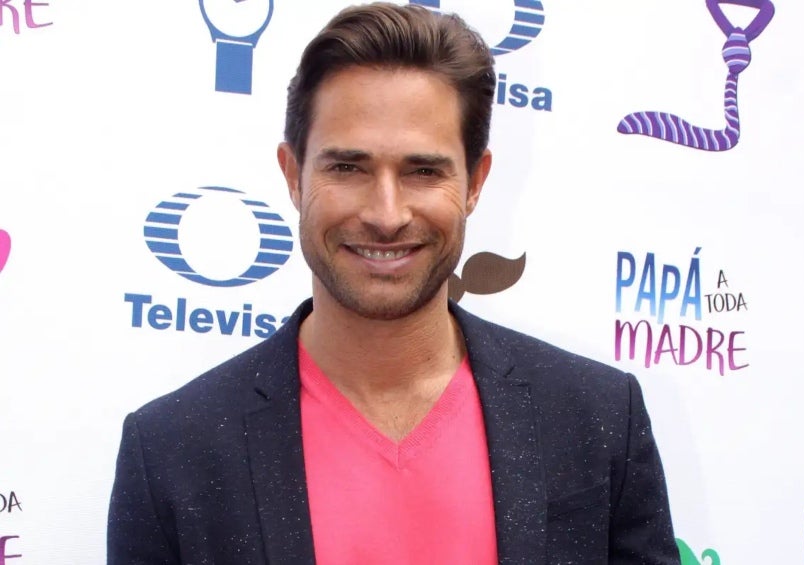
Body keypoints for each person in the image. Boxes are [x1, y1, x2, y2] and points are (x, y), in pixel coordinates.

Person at [107, 3, 680, 564]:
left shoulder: (597, 418)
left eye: (423, 171)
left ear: (475, 183)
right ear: (293, 175)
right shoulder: (171, 451)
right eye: (348, 167)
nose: (387, 214)